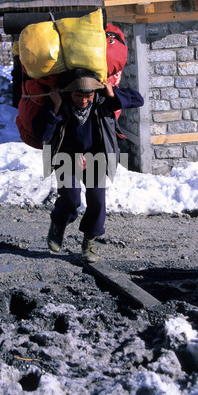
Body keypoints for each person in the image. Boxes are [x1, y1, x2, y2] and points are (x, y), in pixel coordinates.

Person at [32, 68, 144, 263]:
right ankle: (58, 225)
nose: (83, 101)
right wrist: (55, 107)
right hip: (66, 158)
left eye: (88, 96)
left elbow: (138, 99)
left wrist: (112, 93)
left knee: (98, 201)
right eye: (78, 95)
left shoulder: (102, 102)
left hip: (96, 158)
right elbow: (42, 133)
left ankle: (88, 242)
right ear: (69, 92)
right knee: (71, 199)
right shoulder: (60, 102)